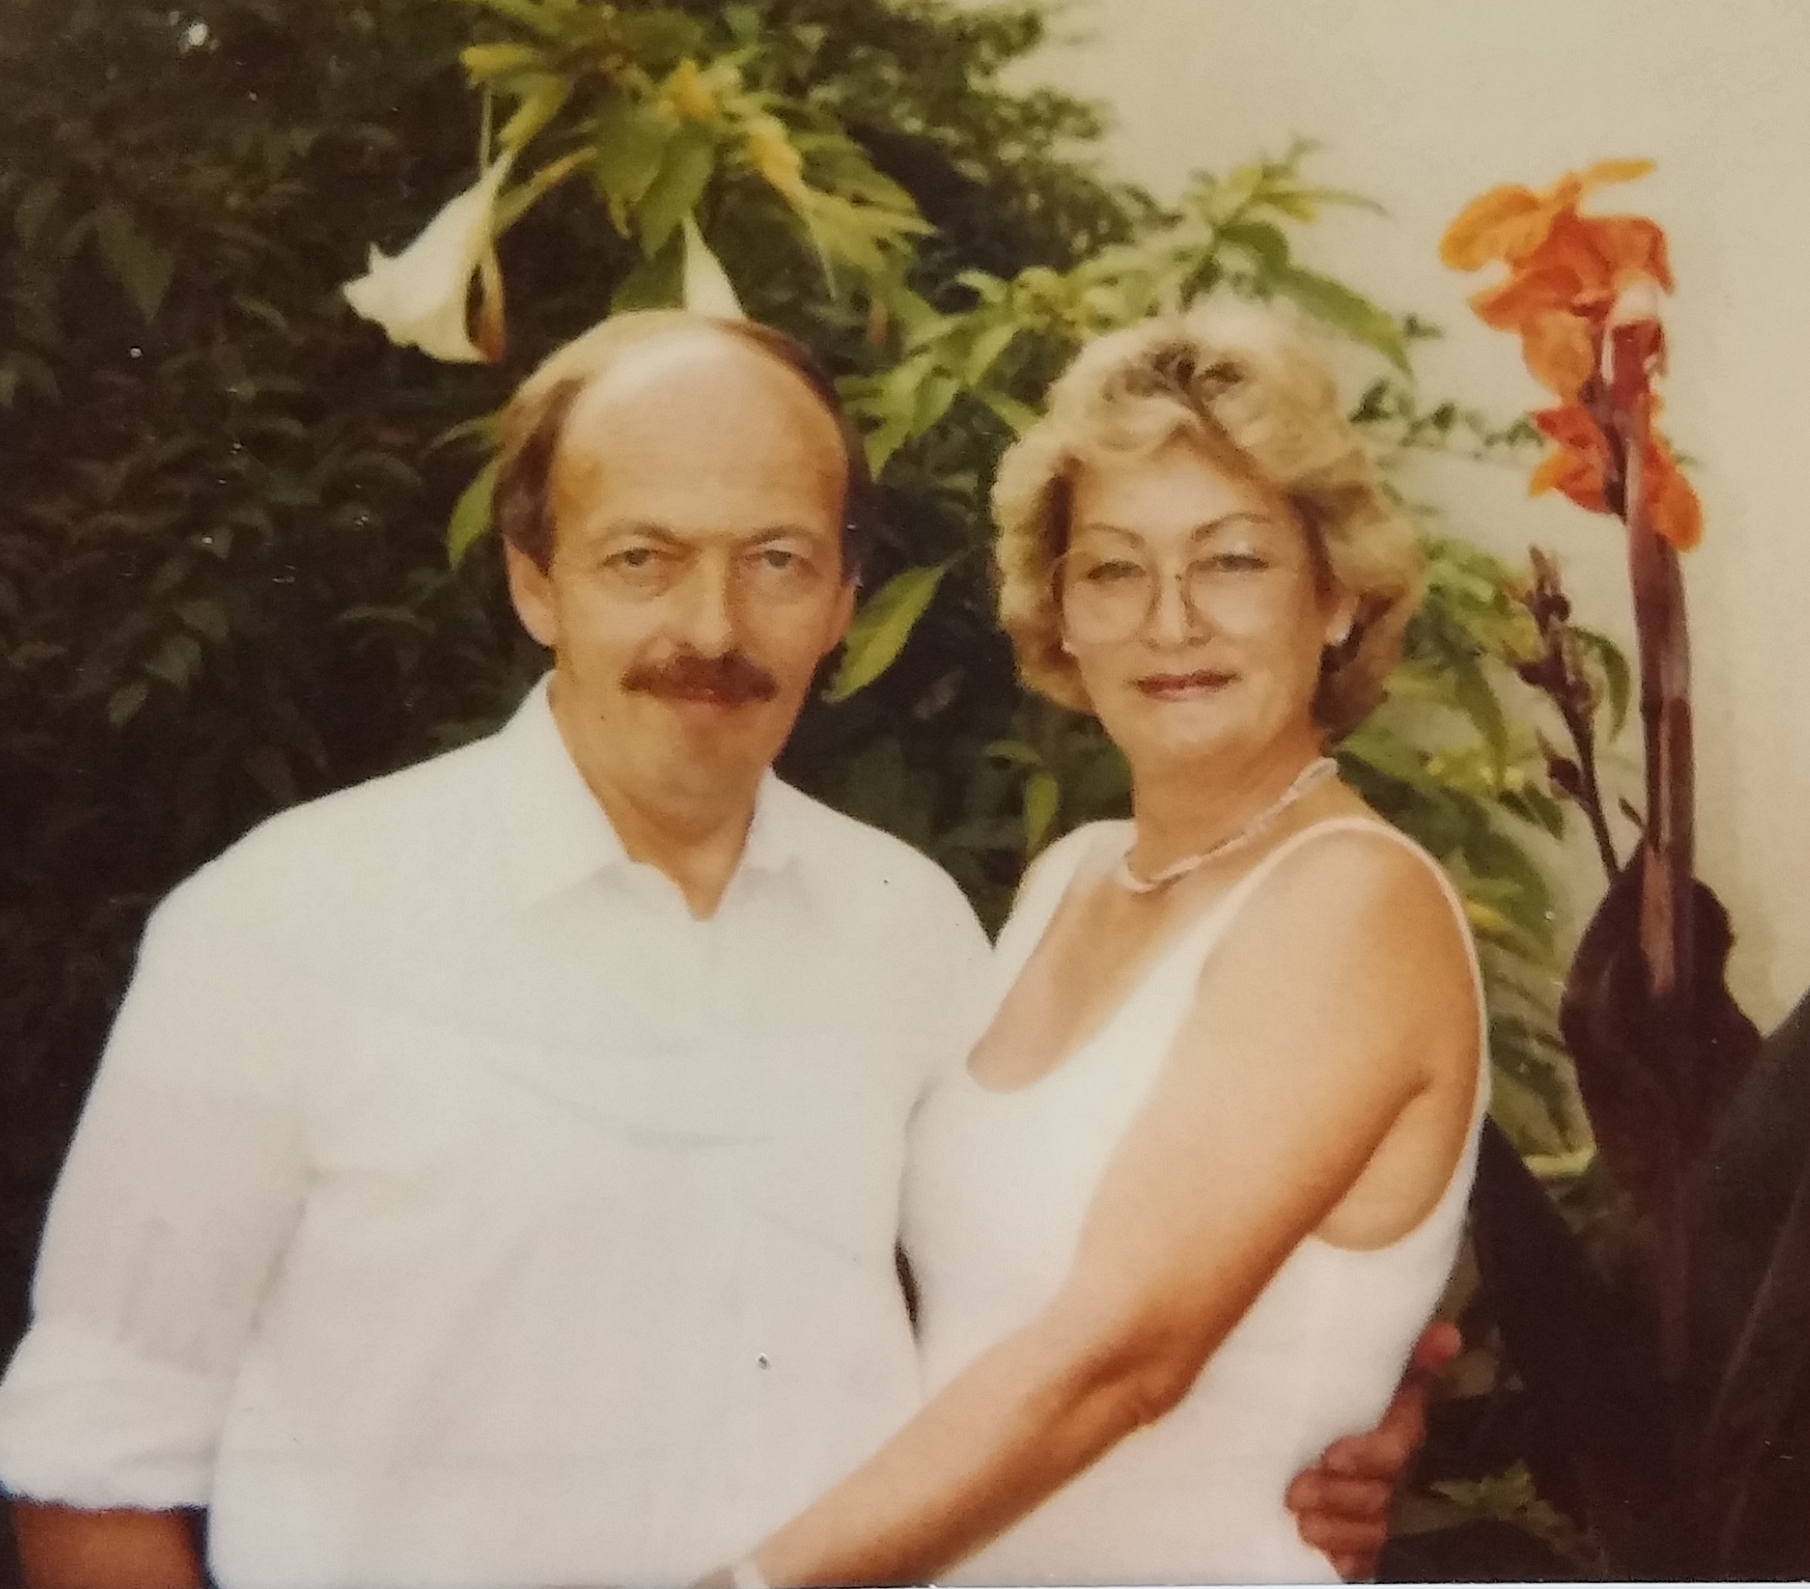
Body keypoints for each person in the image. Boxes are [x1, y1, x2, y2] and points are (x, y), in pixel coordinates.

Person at [0, 310, 1442, 1589]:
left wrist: (1346, 1395)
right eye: (643, 558)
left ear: (841, 597)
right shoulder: (286, 923)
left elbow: (1095, 1268)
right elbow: (92, 1455)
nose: (712, 625)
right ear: (535, 582)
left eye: (775, 559)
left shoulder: (911, 929)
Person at [698, 299, 1486, 1587]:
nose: (1171, 621)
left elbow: (1116, 1362)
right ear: (1059, 612)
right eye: (1116, 569)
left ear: (1337, 594)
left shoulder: (1349, 901)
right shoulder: (1073, 878)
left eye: (1233, 561)